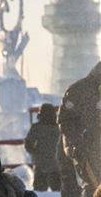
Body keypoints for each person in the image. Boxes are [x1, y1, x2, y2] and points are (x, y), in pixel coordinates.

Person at [58, 62, 101, 197]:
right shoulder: (78, 90)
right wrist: (78, 141)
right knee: (94, 185)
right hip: (84, 148)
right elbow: (64, 120)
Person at [24, 103, 61, 192]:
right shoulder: (58, 127)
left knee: (39, 192)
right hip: (57, 164)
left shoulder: (36, 128)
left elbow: (28, 144)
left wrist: (34, 153)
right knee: (58, 191)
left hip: (40, 164)